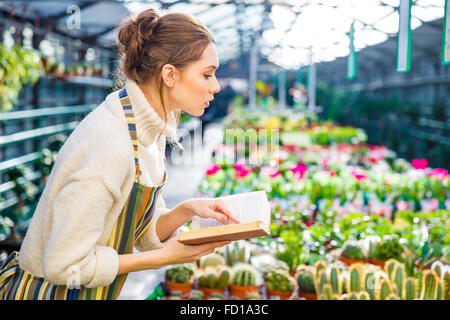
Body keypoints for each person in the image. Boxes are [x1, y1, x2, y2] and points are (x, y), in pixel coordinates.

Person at [0, 8, 239, 300]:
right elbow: (64, 265)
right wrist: (165, 258)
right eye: (207, 74)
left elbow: (142, 231)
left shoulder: (146, 132)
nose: (215, 86)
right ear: (170, 75)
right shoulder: (111, 145)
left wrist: (187, 209)